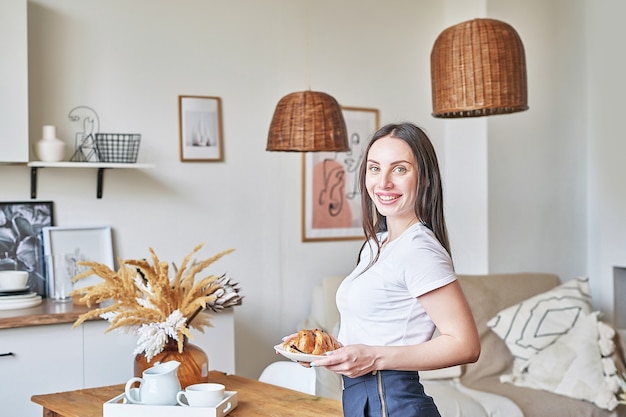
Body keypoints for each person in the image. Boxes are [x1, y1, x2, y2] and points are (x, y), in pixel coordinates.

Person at [285, 122, 480, 417]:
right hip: (362, 397)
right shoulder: (377, 244)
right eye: (375, 168)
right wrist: (321, 351)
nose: (383, 183)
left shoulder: (420, 250)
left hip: (392, 401)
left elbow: (465, 344)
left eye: (399, 169)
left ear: (425, 178)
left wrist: (374, 358)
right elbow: (373, 333)